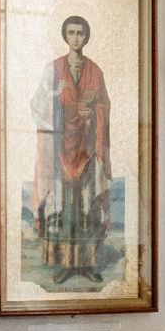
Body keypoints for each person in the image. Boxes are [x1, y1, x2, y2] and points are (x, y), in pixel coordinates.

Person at [31, 14, 111, 285]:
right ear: (65, 36)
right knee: (65, 205)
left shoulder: (95, 71)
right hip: (61, 148)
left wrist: (93, 111)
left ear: (86, 37)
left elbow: (104, 106)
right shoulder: (53, 69)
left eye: (81, 33)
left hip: (87, 147)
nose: (76, 38)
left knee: (86, 206)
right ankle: (66, 263)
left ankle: (86, 263)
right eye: (72, 32)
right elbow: (37, 106)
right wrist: (55, 95)